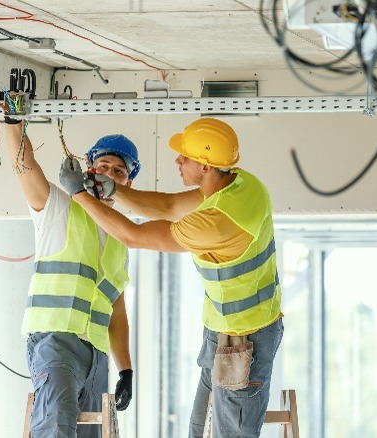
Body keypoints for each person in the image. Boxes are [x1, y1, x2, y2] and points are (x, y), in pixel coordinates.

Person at [58, 117, 284, 438]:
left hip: (245, 340)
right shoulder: (241, 184)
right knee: (198, 427)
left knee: (230, 433)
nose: (178, 160)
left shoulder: (215, 223)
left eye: (186, 157)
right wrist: (115, 191)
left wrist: (79, 193)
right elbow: (168, 204)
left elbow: (134, 235)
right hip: (222, 329)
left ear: (205, 166)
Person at [5, 118, 137, 438]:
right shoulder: (59, 208)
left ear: (128, 183)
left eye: (118, 171)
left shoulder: (121, 237)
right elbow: (25, 166)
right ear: (89, 170)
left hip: (96, 354)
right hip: (55, 343)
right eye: (102, 165)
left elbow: (115, 310)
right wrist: (11, 123)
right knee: (55, 428)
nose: (108, 173)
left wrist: (126, 370)